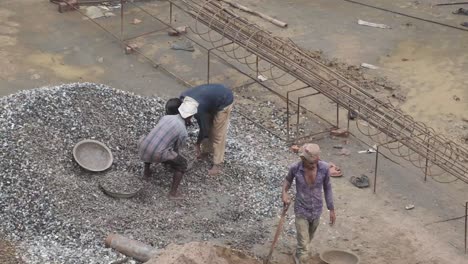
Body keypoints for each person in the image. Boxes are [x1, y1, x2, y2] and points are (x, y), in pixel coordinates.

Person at [281, 143, 336, 264]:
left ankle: (298, 253)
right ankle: (301, 258)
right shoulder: (295, 168)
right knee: (304, 247)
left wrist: (331, 209)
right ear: (303, 159)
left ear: (318, 159)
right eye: (309, 163)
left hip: (316, 210)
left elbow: (328, 188)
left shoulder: (324, 168)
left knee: (308, 239)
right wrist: (284, 193)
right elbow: (287, 180)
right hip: (301, 210)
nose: (312, 165)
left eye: (314, 163)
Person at [138, 99, 197, 198]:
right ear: (190, 117)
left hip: (143, 146)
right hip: (155, 153)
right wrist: (172, 161)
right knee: (182, 164)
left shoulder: (166, 117)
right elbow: (176, 148)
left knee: (153, 143)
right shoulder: (183, 131)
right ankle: (173, 193)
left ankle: (146, 173)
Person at [177, 83, 234, 176]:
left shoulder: (199, 109)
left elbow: (204, 129)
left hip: (224, 100)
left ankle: (217, 164)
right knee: (208, 128)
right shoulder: (182, 98)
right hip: (211, 98)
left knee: (217, 134)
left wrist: (197, 144)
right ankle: (206, 151)